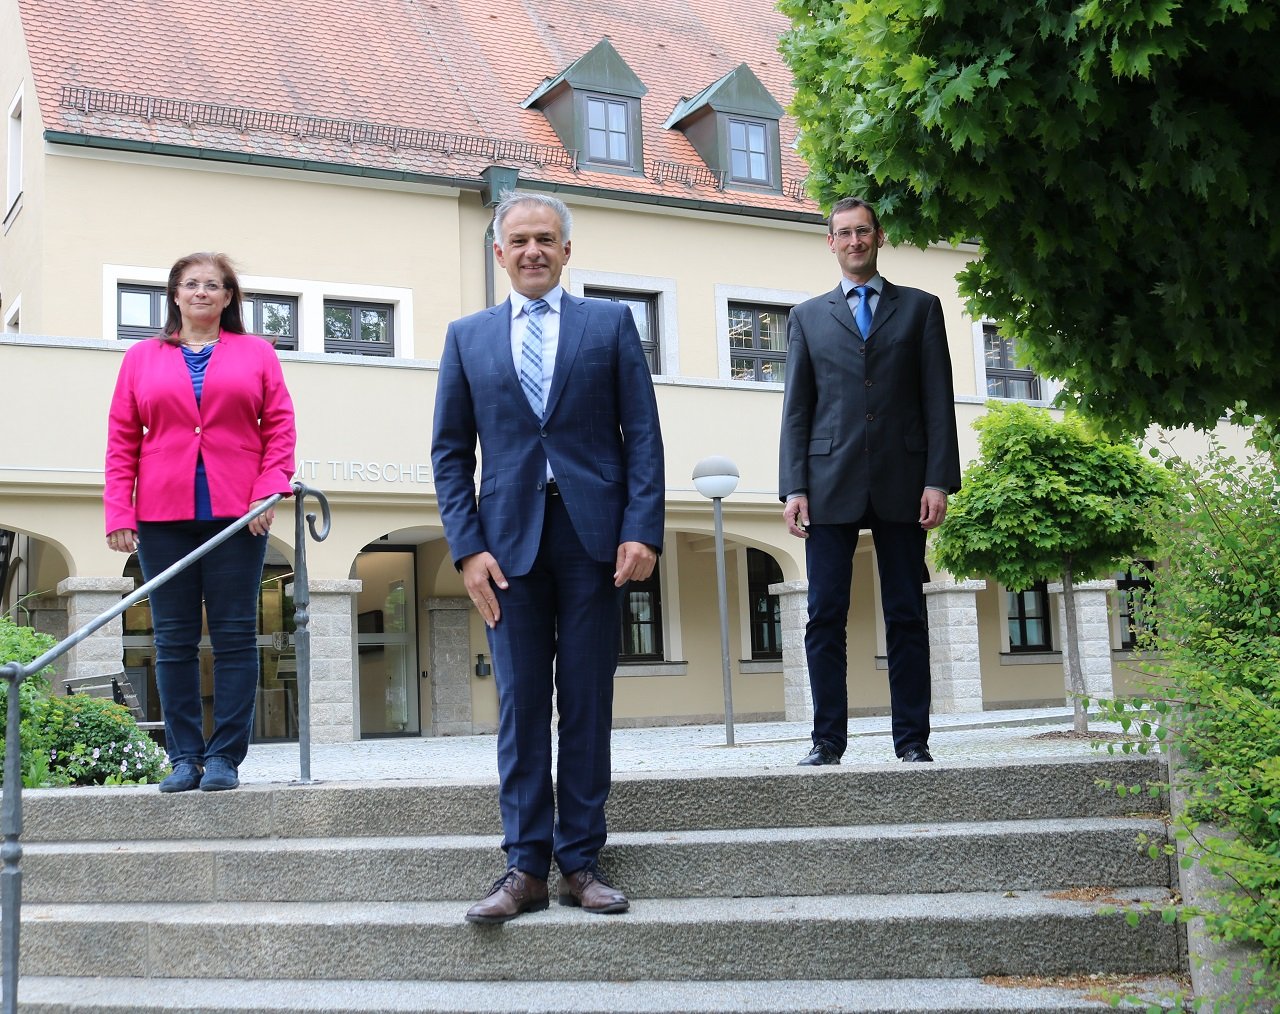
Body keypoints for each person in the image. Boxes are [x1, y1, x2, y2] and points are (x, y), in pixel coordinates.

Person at [431, 192, 664, 924]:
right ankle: (525, 866)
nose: (533, 251)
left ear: (567, 250)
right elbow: (448, 453)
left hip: (597, 542)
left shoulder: (610, 324)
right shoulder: (467, 337)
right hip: (506, 550)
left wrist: (644, 529)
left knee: (588, 701)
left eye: (546, 239)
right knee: (522, 704)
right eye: (519, 240)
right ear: (499, 254)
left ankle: (582, 862)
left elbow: (644, 436)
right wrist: (467, 548)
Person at [105, 252, 297, 793]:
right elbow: (122, 438)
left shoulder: (257, 353)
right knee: (172, 640)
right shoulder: (141, 358)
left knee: (236, 637)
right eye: (192, 284)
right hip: (161, 517)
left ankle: (225, 759)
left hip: (238, 517)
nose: (202, 293)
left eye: (214, 285)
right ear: (175, 294)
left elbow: (280, 428)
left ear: (228, 297)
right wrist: (120, 509)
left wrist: (266, 494)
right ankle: (184, 757)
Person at [779, 197, 961, 766]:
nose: (854, 241)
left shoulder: (920, 310)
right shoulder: (808, 316)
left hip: (904, 481)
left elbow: (938, 402)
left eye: (863, 232)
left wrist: (939, 480)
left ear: (879, 238)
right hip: (828, 479)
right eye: (844, 233)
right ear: (829, 243)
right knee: (824, 616)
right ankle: (826, 741)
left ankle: (912, 740)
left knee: (906, 611)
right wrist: (794, 487)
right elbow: (797, 408)